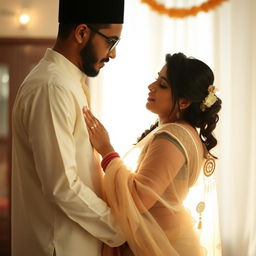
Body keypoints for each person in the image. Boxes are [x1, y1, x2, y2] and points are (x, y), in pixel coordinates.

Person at [11, 0, 126, 256]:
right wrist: (120, 229)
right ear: (82, 32)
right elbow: (62, 185)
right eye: (111, 42)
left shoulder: (67, 82)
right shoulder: (52, 87)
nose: (113, 54)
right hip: (58, 246)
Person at [83, 52, 222, 256]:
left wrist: (107, 151)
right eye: (157, 78)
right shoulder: (186, 133)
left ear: (183, 102)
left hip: (160, 244)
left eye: (163, 85)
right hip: (167, 238)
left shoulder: (173, 136)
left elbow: (138, 199)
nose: (151, 87)